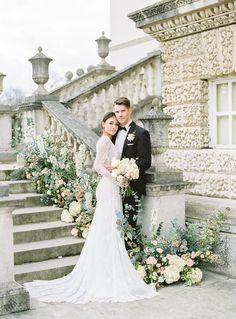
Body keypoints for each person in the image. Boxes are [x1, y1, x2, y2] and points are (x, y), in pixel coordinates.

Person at [24, 112, 157, 304]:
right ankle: (104, 276)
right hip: (108, 187)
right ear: (103, 124)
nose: (113, 126)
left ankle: (108, 270)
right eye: (109, 123)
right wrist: (117, 178)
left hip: (112, 187)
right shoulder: (103, 141)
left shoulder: (110, 141)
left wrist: (120, 172)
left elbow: (109, 164)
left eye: (114, 124)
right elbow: (97, 166)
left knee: (110, 228)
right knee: (108, 226)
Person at [112, 97, 151, 229]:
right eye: (117, 112)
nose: (120, 115)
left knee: (129, 223)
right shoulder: (113, 132)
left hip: (131, 187)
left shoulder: (141, 133)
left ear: (130, 110)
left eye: (123, 111)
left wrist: (127, 171)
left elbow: (145, 161)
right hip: (113, 184)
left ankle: (128, 249)